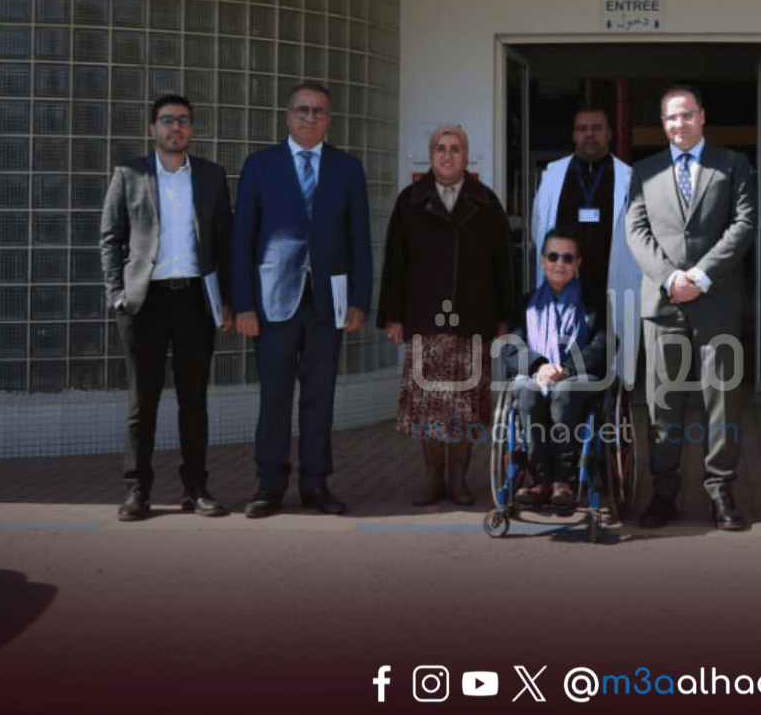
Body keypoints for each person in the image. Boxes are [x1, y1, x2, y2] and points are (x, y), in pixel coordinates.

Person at [232, 82, 372, 518]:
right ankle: (269, 485)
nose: (310, 117)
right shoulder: (260, 166)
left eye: (319, 111)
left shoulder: (347, 168)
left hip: (328, 301)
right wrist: (243, 305)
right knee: (274, 396)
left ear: (329, 119)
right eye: (302, 110)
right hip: (273, 300)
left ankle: (316, 483)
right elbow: (242, 239)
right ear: (287, 116)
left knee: (320, 397)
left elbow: (360, 239)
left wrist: (360, 301)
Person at [624, 84, 756, 531]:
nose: (678, 124)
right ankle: (664, 493)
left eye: (686, 115)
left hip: (716, 301)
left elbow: (744, 223)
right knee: (663, 403)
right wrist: (669, 279)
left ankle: (721, 491)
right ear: (662, 124)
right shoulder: (643, 171)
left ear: (702, 116)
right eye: (670, 117)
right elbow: (636, 231)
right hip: (663, 305)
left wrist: (700, 277)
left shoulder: (733, 164)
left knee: (722, 402)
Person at [100, 94, 235, 522]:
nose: (176, 127)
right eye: (167, 119)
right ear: (152, 128)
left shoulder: (211, 176)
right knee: (143, 401)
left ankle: (196, 488)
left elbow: (226, 242)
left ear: (191, 129)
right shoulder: (129, 174)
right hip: (145, 303)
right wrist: (117, 294)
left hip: (196, 300)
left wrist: (228, 301)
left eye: (184, 120)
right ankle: (137, 490)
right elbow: (110, 238)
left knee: (194, 401)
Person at [380, 124, 515, 507]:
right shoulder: (410, 201)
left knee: (465, 408)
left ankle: (459, 478)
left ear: (466, 156)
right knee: (428, 408)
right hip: (425, 323)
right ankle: (433, 478)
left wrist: (504, 317)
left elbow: (503, 264)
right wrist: (392, 316)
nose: (448, 155)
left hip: (473, 322)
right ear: (431, 154)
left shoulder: (486, 202)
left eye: (456, 148)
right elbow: (395, 263)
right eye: (441, 148)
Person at [504, 229, 608, 515]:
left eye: (567, 257)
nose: (559, 263)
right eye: (553, 256)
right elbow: (511, 347)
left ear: (577, 263)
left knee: (564, 392)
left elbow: (605, 344)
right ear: (542, 260)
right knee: (527, 392)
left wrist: (568, 368)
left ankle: (565, 479)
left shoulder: (595, 301)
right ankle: (540, 480)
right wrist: (540, 366)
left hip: (579, 375)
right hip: (537, 375)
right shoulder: (525, 303)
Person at [530, 104, 641, 334]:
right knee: (562, 347)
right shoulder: (552, 176)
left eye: (597, 128)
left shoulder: (629, 179)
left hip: (611, 285)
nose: (589, 134)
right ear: (573, 135)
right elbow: (537, 228)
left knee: (611, 348)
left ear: (609, 134)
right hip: (564, 286)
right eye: (582, 129)